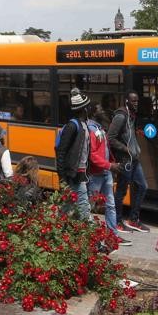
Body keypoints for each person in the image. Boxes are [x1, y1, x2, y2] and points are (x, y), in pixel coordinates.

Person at [88, 110, 131, 247]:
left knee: (110, 205)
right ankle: (86, 236)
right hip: (96, 174)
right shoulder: (91, 130)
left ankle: (112, 236)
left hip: (106, 172)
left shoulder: (100, 129)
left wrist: (112, 164)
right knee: (89, 206)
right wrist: (109, 165)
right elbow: (93, 155)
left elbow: (106, 150)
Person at [109, 92, 150, 233]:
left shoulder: (131, 116)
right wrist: (125, 148)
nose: (136, 103)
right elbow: (111, 138)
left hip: (134, 159)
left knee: (143, 186)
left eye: (137, 101)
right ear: (127, 101)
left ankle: (133, 219)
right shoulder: (121, 116)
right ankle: (117, 221)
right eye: (133, 101)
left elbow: (127, 135)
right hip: (125, 160)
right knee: (121, 191)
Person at [55, 88, 91, 219]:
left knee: (67, 208)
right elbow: (61, 152)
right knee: (84, 209)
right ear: (84, 109)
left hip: (79, 174)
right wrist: (63, 179)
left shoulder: (83, 125)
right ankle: (92, 236)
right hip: (73, 175)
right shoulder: (72, 126)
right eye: (89, 107)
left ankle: (57, 231)